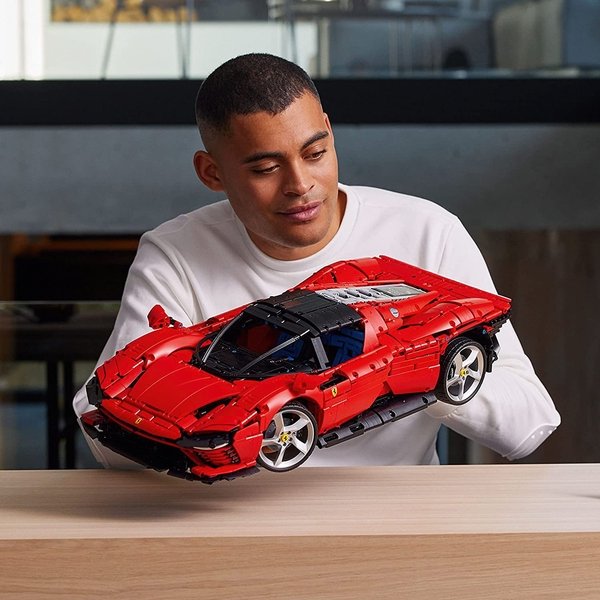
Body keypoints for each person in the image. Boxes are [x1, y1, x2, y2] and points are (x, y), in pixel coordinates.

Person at [73, 53, 560, 468]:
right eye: (266, 168)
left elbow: (528, 425)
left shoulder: (427, 233)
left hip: (399, 518)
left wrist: (428, 369)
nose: (300, 185)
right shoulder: (176, 253)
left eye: (315, 153)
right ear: (212, 172)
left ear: (330, 132)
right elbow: (104, 436)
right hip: (233, 520)